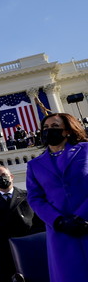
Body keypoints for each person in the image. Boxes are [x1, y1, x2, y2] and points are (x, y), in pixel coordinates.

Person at [26, 113, 88, 282]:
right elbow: (35, 198)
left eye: (54, 126)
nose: (49, 131)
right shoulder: (34, 165)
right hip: (61, 232)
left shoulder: (86, 150)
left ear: (67, 130)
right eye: (45, 128)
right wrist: (58, 221)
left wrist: (82, 216)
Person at [0, 165, 44, 282]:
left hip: (31, 248)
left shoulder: (28, 196)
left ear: (11, 176)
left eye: (4, 175)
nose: (1, 178)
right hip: (6, 253)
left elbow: (40, 223)